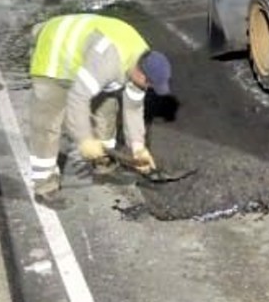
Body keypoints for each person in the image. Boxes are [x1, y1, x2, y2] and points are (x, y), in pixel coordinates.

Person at [26, 14, 173, 202]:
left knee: (107, 109)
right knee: (48, 125)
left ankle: (103, 163)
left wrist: (138, 146)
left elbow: (133, 108)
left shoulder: (143, 60)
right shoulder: (109, 60)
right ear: (140, 73)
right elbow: (78, 98)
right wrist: (85, 140)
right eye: (149, 84)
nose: (149, 88)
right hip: (56, 54)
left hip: (92, 59)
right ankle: (44, 185)